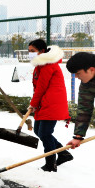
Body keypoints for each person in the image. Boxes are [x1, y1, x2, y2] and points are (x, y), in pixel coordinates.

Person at [26, 40, 70, 172]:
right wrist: (35, 103)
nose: (30, 54)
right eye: (29, 51)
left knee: (44, 133)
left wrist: (33, 104)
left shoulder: (47, 65)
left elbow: (41, 88)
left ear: (42, 51)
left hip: (51, 104)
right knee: (39, 131)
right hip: (45, 103)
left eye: (33, 51)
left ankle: (50, 164)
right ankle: (63, 153)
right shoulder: (41, 65)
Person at [65, 52, 95, 149]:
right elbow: (84, 109)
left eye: (78, 73)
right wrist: (78, 136)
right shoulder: (86, 84)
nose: (76, 77)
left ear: (91, 70)